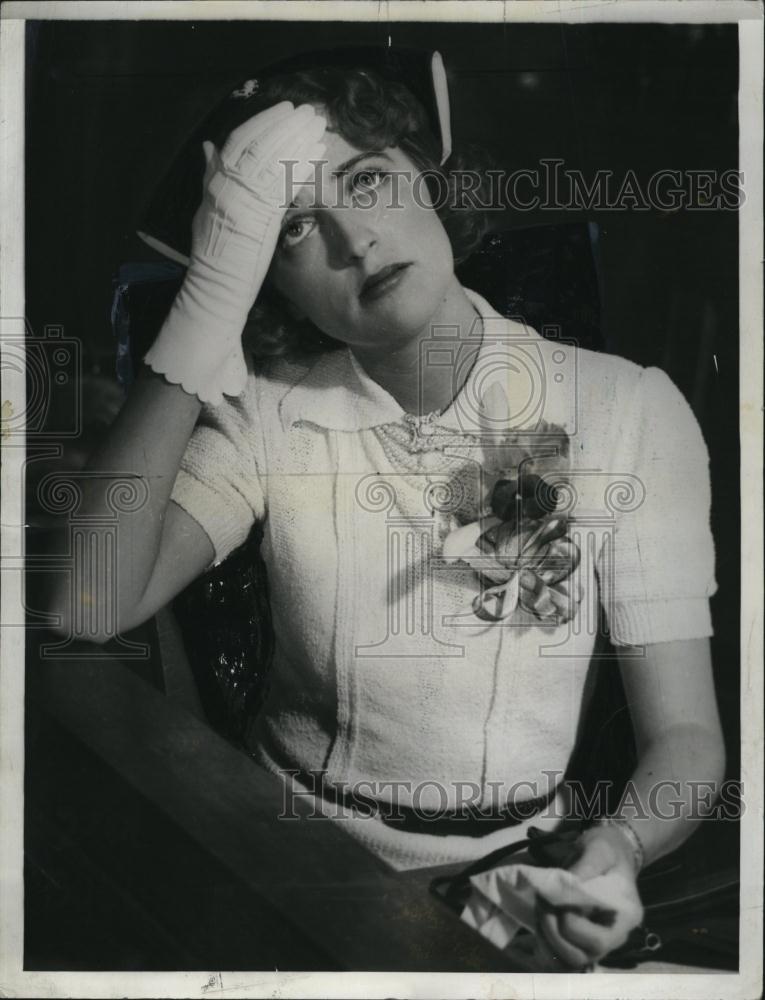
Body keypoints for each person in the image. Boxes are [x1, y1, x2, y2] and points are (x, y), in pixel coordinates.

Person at [49, 61, 725, 970]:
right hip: (292, 867)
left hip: (522, 879)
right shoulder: (266, 416)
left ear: (427, 174)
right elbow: (86, 603)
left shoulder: (629, 410)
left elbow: (685, 741)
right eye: (292, 229)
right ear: (266, 282)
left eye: (366, 178)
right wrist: (206, 304)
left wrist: (617, 853)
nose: (356, 239)